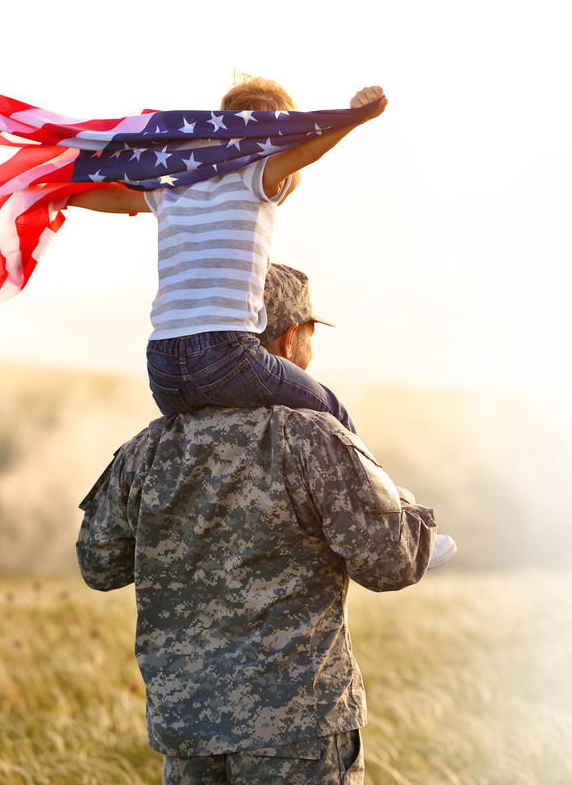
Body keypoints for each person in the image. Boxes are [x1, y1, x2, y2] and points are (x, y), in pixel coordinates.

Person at [76, 264, 456, 784]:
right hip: (297, 732)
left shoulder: (147, 449)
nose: (312, 352)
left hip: (188, 734)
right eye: (310, 334)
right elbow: (390, 564)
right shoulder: (312, 436)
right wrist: (407, 512)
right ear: (286, 338)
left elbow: (99, 565)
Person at [68, 76, 385, 433]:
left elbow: (111, 198)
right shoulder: (255, 175)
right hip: (225, 357)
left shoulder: (175, 184)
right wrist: (354, 118)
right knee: (334, 414)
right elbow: (301, 155)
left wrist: (53, 192)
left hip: (163, 370)